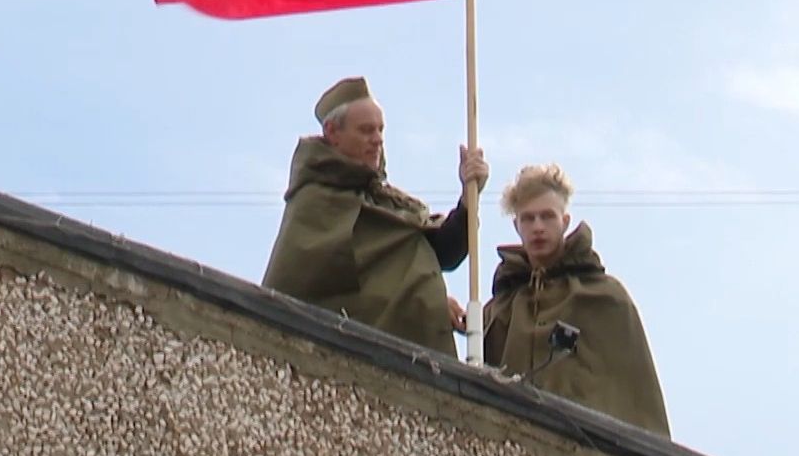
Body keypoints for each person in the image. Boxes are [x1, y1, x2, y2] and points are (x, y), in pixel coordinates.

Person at [262, 76, 489, 354]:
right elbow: (334, 295)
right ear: (333, 133)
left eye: (381, 130)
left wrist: (469, 197)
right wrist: (421, 301)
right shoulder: (316, 203)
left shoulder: (386, 201)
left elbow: (444, 249)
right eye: (366, 130)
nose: (378, 140)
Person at [483, 164, 669, 436]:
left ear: (565, 222)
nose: (537, 227)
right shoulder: (504, 307)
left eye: (547, 216)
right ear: (516, 225)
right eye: (528, 218)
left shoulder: (605, 297)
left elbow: (637, 401)